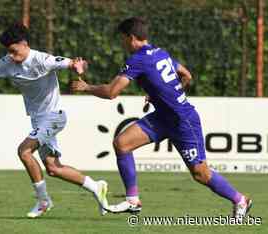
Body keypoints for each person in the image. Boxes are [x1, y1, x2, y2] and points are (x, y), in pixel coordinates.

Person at [71, 17, 252, 220]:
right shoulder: (160, 53)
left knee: (200, 173)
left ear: (131, 38)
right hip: (163, 118)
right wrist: (163, 93)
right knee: (122, 144)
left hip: (183, 121)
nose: (122, 44)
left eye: (122, 39)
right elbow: (186, 75)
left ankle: (240, 200)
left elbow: (112, 92)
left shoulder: (137, 59)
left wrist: (86, 87)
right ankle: (132, 200)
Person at [0, 23, 108, 218]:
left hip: (54, 117)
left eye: (14, 51)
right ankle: (96, 187)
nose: (12, 56)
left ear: (24, 44)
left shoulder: (43, 60)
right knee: (54, 168)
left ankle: (43, 201)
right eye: (9, 52)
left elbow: (75, 63)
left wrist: (80, 66)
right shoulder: (6, 63)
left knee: (24, 151)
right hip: (38, 121)